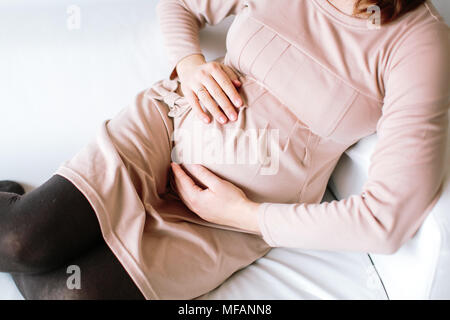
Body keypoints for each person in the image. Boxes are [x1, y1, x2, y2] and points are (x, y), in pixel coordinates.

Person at [0, 0, 448, 300]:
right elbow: (180, 3)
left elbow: (385, 221)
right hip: (165, 129)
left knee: (71, 294)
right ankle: (28, 218)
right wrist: (190, 65)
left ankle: (46, 225)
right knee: (19, 240)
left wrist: (242, 215)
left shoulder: (419, 45)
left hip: (228, 222)